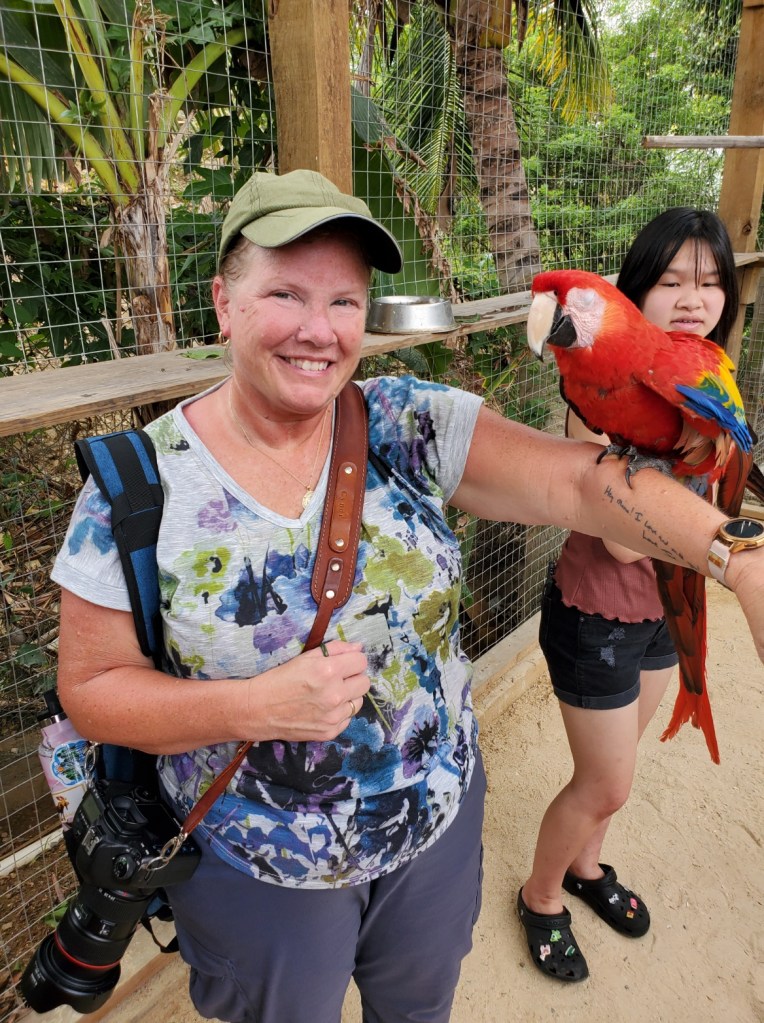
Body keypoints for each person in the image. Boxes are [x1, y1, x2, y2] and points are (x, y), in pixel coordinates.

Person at [51, 176, 764, 1023]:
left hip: (435, 830)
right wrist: (253, 706)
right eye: (285, 293)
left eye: (345, 301)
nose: (319, 329)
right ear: (223, 303)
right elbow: (90, 690)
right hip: (259, 866)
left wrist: (739, 557)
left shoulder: (401, 422)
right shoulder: (139, 482)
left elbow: (583, 483)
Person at [516, 208, 743, 983]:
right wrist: (710, 513)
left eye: (709, 282)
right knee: (606, 780)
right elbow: (623, 539)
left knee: (619, 767)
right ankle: (541, 895)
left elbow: (722, 455)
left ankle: (586, 868)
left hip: (657, 616)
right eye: (671, 281)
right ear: (634, 292)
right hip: (599, 613)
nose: (692, 298)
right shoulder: (590, 380)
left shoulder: (704, 366)